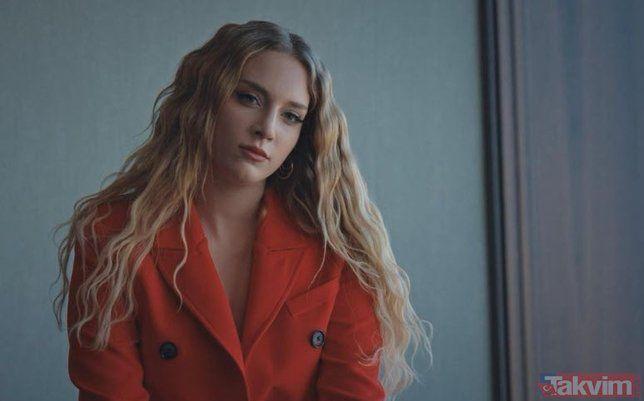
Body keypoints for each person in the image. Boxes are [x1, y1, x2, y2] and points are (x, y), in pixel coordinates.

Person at [53, 20, 432, 401]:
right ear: (203, 100)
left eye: (291, 116)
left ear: (303, 135)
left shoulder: (337, 245)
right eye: (249, 98)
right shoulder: (113, 235)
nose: (267, 128)